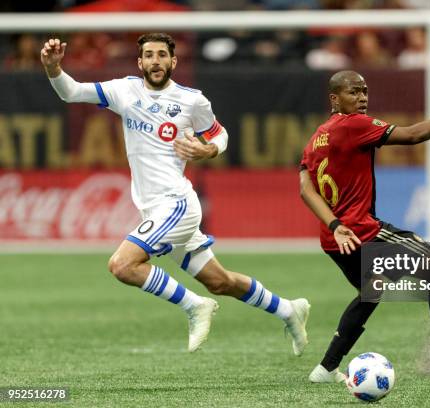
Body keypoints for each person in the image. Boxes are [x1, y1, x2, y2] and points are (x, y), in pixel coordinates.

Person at [40, 33, 309, 355]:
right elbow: (71, 92)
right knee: (220, 281)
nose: (156, 61)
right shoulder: (124, 90)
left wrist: (208, 149)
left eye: (162, 55)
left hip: (177, 204)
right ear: (140, 62)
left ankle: (195, 306)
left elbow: (218, 133)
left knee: (122, 266)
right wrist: (53, 68)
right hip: (153, 209)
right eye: (149, 55)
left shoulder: (192, 100)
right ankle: (288, 310)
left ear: (173, 61)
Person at [300, 70, 430, 382]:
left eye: (364, 91)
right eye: (353, 92)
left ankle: (325, 368)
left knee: (370, 291)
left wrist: (333, 223)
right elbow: (413, 135)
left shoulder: (316, 138)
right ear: (334, 98)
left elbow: (305, 189)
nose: (362, 98)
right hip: (363, 231)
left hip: (335, 239)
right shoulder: (354, 125)